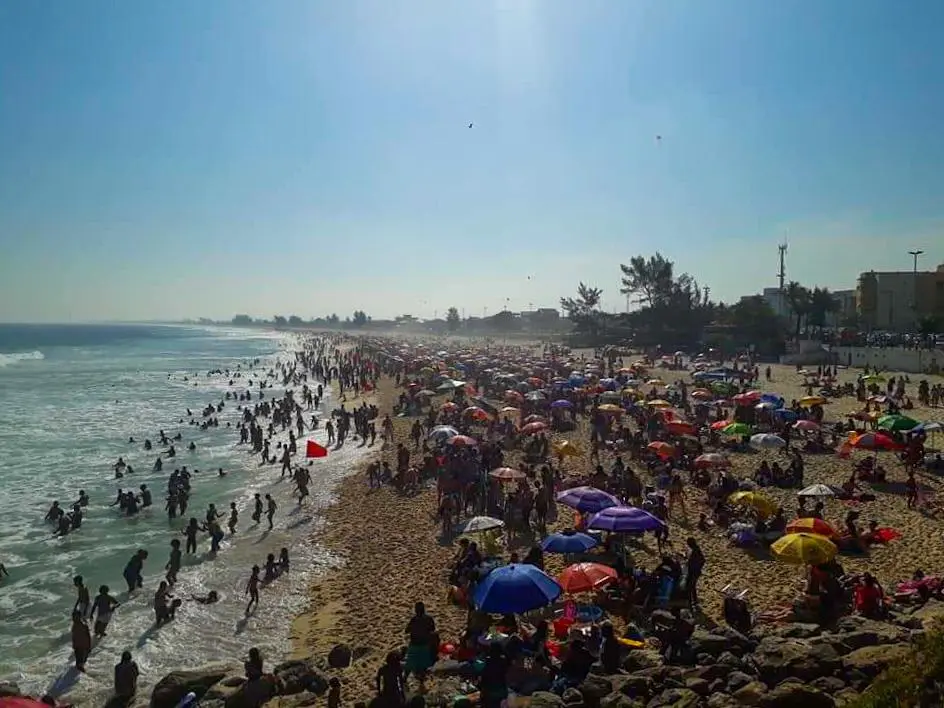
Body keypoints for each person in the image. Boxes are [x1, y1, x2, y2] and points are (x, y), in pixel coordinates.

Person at [403, 602, 437, 684]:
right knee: (423, 664)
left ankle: (404, 679)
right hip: (424, 644)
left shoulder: (414, 620)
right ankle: (421, 682)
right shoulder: (429, 619)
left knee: (410, 663)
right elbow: (432, 629)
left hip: (414, 643)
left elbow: (407, 630)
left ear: (416, 610)